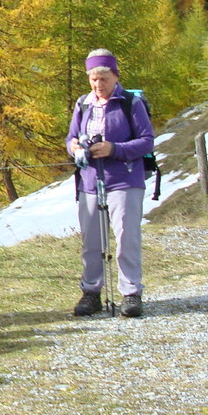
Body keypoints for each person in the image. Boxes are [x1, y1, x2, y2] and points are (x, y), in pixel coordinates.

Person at [66, 49, 154, 318]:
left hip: (125, 180)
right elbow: (71, 138)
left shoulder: (130, 103)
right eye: (93, 79)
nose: (98, 84)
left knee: (127, 236)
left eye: (103, 78)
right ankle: (91, 292)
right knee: (91, 241)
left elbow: (146, 140)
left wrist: (114, 149)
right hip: (90, 181)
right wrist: (75, 147)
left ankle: (131, 293)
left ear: (115, 76)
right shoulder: (83, 104)